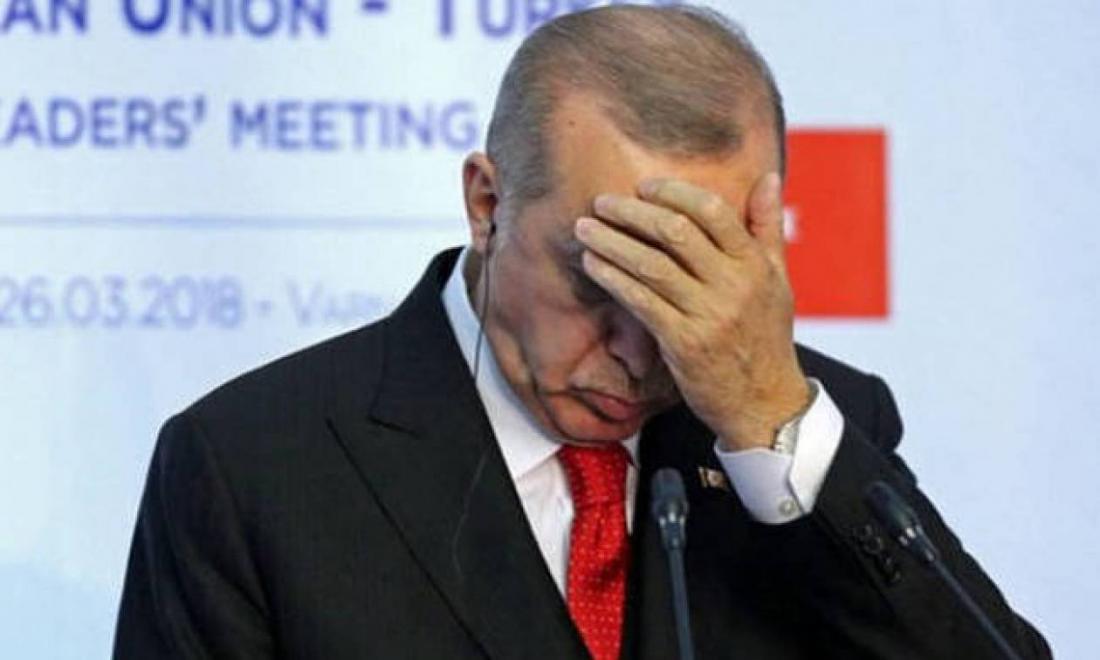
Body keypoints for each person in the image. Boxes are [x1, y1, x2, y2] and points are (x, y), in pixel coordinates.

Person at [114, 5, 1050, 659]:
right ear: (487, 203)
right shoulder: (252, 466)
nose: (642, 354)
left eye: (690, 283)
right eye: (600, 278)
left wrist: (770, 418)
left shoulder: (815, 432)